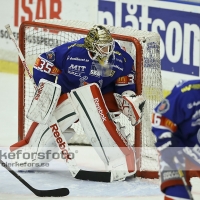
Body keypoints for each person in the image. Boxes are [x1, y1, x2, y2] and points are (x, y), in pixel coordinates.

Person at [10, 25, 145, 182]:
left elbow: (125, 83)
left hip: (99, 99)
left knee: (90, 95)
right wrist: (45, 89)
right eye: (102, 47)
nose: (107, 50)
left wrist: (127, 97)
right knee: (47, 128)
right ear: (91, 46)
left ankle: (120, 159)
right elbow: (44, 61)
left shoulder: (121, 59)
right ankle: (29, 154)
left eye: (109, 45)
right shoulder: (73, 52)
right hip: (66, 96)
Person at [152, 79, 200, 200]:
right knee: (177, 193)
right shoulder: (188, 93)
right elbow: (160, 117)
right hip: (179, 149)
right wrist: (167, 142)